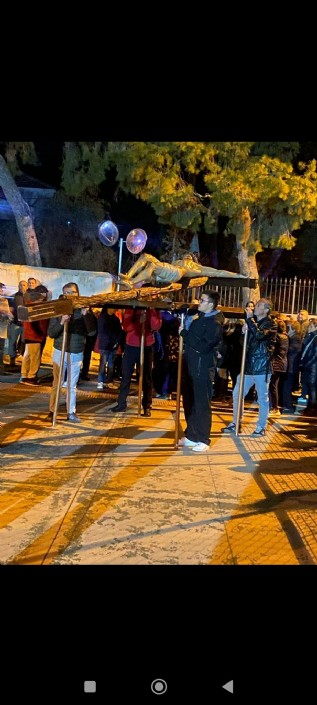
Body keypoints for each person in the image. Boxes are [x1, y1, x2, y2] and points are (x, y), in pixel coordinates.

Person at [222, 298, 277, 436]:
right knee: (237, 393)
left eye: (258, 305)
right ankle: (236, 422)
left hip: (261, 367)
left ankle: (261, 426)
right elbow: (244, 343)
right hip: (247, 366)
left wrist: (250, 320)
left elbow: (259, 335)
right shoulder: (252, 322)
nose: (255, 307)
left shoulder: (271, 324)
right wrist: (243, 331)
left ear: (266, 309)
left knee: (262, 398)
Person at [179, 290, 224, 452]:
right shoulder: (201, 318)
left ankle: (204, 438)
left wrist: (184, 334)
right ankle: (192, 435)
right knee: (192, 403)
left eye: (202, 300)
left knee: (202, 404)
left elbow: (204, 346)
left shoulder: (215, 323)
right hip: (192, 367)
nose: (199, 302)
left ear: (210, 305)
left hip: (202, 369)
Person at [47, 282, 96, 423]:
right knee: (57, 382)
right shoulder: (58, 309)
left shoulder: (84, 309)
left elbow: (92, 332)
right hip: (59, 350)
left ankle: (71, 412)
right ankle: (52, 411)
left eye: (72, 292)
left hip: (76, 351)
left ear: (77, 293)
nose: (69, 295)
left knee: (71, 385)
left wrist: (87, 315)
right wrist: (62, 322)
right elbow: (51, 333)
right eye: (66, 292)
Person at [109, 307, 162, 416]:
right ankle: (121, 403)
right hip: (131, 346)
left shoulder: (154, 309)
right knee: (126, 376)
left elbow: (156, 326)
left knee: (147, 377)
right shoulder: (132, 307)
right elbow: (126, 326)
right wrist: (138, 322)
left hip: (147, 345)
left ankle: (147, 406)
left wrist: (151, 311)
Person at [119, 252, 254, 289]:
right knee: (146, 256)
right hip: (167, 271)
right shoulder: (177, 261)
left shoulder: (196, 267)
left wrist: (240, 275)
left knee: (152, 266)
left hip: (177, 273)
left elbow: (219, 272)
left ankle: (131, 283)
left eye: (191, 255)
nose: (188, 254)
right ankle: (128, 276)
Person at [7, 280, 28, 366]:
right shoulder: (14, 297)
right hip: (15, 323)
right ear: (18, 286)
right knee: (12, 341)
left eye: (24, 285)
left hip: (26, 324)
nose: (22, 287)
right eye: (21, 285)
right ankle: (12, 359)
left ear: (26, 287)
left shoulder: (29, 297)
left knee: (24, 342)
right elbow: (9, 308)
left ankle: (22, 357)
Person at [0, 282, 13, 371]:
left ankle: (1, 368)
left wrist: (9, 315)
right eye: (0, 288)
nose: (2, 290)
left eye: (2, 289)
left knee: (1, 350)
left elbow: (8, 314)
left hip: (2, 329)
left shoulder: (4, 300)